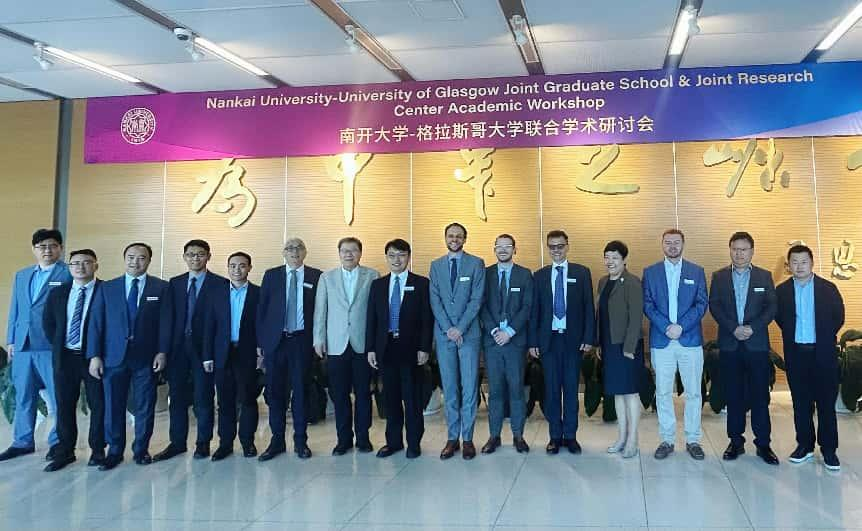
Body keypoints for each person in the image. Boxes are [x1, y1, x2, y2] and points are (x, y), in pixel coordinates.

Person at [87, 242, 168, 470]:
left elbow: (166, 323)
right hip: (113, 357)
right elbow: (96, 323)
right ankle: (114, 451)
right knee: (113, 406)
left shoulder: (161, 287)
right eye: (131, 257)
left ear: (149, 261)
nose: (135, 262)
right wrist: (94, 355)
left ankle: (141, 450)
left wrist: (162, 351)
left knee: (145, 406)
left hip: (146, 358)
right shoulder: (107, 287)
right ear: (124, 259)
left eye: (141, 258)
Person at [154, 240, 229, 462]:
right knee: (176, 398)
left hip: (204, 350)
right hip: (177, 350)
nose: (195, 258)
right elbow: (167, 318)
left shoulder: (220, 284)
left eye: (200, 254)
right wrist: (163, 350)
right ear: (184, 257)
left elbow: (222, 321)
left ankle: (203, 444)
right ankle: (177, 443)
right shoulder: (175, 283)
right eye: (191, 254)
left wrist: (214, 352)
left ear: (208, 256)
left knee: (203, 398)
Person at [1, 228, 71, 462]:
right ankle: (22, 442)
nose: (47, 250)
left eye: (52, 246)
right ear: (34, 249)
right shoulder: (22, 275)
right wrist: (11, 340)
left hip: (51, 345)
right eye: (41, 247)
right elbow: (16, 309)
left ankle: (58, 442)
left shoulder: (67, 273)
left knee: (57, 397)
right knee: (24, 395)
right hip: (23, 345)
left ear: (60, 248)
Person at [709, 231, 779, 465]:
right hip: (730, 345)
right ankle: (736, 442)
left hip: (756, 345)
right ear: (730, 250)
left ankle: (763, 444)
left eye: (743, 249)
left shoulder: (764, 276)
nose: (739, 253)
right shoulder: (719, 277)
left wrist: (752, 327)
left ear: (752, 251)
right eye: (735, 249)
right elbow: (715, 306)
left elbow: (771, 307)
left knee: (760, 396)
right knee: (733, 395)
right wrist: (733, 328)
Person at [775, 244, 845, 471]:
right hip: (796, 354)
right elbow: (780, 319)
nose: (799, 266)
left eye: (804, 262)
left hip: (823, 354)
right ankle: (804, 446)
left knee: (826, 404)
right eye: (794, 262)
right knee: (801, 403)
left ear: (812, 263)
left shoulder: (828, 288)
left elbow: (838, 317)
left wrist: (823, 337)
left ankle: (829, 450)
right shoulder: (782, 291)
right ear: (789, 265)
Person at [642, 229, 708, 460]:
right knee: (662, 392)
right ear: (662, 245)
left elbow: (701, 303)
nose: (672, 246)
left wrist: (681, 326)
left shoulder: (696, 271)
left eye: (676, 242)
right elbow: (647, 304)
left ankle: (693, 440)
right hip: (662, 341)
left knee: (694, 392)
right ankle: (667, 439)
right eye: (668, 242)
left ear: (683, 244)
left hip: (689, 340)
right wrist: (665, 326)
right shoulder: (650, 272)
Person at [529, 230, 595, 455]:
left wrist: (588, 337)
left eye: (560, 246)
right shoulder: (539, 275)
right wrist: (533, 341)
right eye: (552, 247)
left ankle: (571, 436)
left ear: (567, 246)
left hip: (573, 341)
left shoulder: (581, 272)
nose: (556, 250)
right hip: (548, 342)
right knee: (552, 391)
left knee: (571, 390)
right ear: (548, 248)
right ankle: (555, 436)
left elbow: (588, 307)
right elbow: (535, 311)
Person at [366, 238, 433, 459]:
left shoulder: (421, 283)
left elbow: (427, 319)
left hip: (411, 350)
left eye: (402, 255)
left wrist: (424, 347)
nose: (397, 259)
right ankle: (393, 442)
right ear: (386, 258)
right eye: (392, 255)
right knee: (390, 399)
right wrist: (371, 348)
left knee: (412, 399)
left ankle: (414, 443)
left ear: (409, 257)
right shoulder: (378, 285)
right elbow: (371, 319)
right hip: (386, 349)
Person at [257, 238, 321, 460]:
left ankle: (301, 442)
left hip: (302, 342)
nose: (294, 252)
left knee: (301, 392)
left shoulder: (316, 276)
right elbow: (262, 310)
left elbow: (321, 310)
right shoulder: (271, 275)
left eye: (299, 248)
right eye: (290, 248)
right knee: (275, 393)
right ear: (283, 252)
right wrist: (261, 344)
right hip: (276, 343)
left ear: (305, 252)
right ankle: (277, 441)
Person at [314, 237, 379, 456]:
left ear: (360, 253)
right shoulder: (327, 277)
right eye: (344, 251)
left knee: (363, 394)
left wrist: (374, 343)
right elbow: (320, 310)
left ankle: (363, 438)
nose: (349, 254)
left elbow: (376, 312)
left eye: (353, 250)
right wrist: (318, 339)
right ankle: (343, 440)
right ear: (339, 253)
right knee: (339, 395)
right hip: (336, 344)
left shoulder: (372, 275)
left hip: (362, 344)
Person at [41, 249, 104, 471]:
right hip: (65, 357)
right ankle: (65, 451)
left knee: (98, 405)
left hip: (94, 358)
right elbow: (48, 323)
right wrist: (60, 345)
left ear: (96, 266)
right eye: (75, 263)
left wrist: (98, 354)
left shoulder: (106, 291)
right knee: (65, 405)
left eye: (86, 262)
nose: (80, 267)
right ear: (69, 267)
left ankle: (98, 450)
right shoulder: (58, 292)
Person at [428, 222, 486, 460]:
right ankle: (452, 438)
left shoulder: (476, 264)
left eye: (459, 236)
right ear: (445, 238)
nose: (454, 239)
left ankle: (468, 438)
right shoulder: (436, 265)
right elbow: (435, 300)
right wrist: (449, 328)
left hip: (469, 335)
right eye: (450, 236)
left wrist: (460, 328)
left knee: (469, 388)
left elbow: (476, 299)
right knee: (450, 388)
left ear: (465, 239)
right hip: (444, 336)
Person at [202, 251, 262, 461]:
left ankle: (248, 442)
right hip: (222, 354)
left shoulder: (258, 293)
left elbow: (263, 324)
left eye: (242, 265)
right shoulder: (216, 293)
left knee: (248, 399)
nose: (237, 270)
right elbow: (209, 327)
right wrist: (207, 356)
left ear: (249, 268)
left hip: (247, 353)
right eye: (233, 266)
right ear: (227, 268)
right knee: (224, 401)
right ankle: (225, 444)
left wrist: (262, 351)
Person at [479, 234, 533, 454]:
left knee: (516, 390)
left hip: (514, 342)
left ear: (514, 249)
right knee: (495, 391)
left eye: (507, 246)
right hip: (493, 342)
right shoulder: (485, 274)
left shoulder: (525, 274)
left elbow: (527, 307)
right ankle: (494, 436)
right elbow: (481, 305)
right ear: (494, 249)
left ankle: (518, 435)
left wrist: (509, 332)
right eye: (499, 247)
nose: (503, 250)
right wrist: (495, 331)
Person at [597, 241, 645, 458]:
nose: (610, 261)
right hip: (609, 345)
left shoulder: (632, 282)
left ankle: (633, 440)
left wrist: (629, 347)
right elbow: (601, 316)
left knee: (630, 393)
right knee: (618, 392)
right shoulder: (603, 282)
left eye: (615, 257)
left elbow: (636, 317)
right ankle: (621, 437)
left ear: (624, 260)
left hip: (627, 346)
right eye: (607, 257)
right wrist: (600, 343)